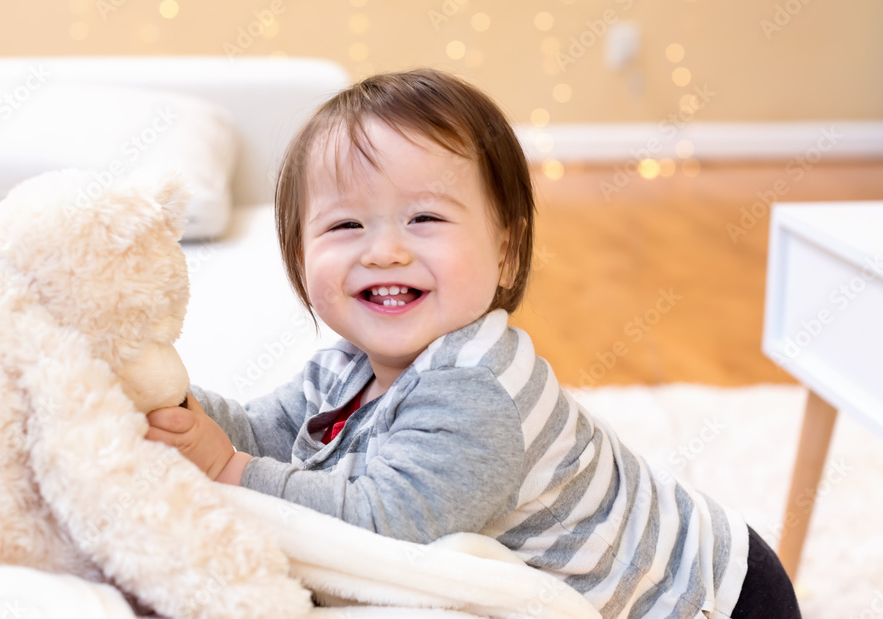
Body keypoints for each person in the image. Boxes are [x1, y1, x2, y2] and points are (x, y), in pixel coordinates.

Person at [144, 68, 800, 619]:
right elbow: (264, 429)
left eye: (424, 218)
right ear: (299, 256)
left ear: (506, 251)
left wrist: (231, 471)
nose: (386, 249)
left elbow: (383, 526)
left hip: (705, 597)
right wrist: (167, 397)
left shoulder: (478, 389)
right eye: (346, 223)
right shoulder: (344, 369)